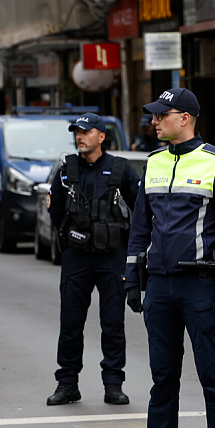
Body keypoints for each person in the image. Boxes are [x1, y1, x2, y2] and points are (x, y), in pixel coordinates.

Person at [117, 88, 215, 428]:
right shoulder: (153, 163)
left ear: (185, 118)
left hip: (201, 287)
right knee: (163, 379)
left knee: (213, 377)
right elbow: (140, 227)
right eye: (153, 116)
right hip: (160, 287)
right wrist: (132, 279)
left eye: (161, 115)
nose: (154, 122)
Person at [45, 113, 139, 407]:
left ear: (101, 137)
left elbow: (139, 211)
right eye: (77, 132)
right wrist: (74, 235)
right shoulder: (67, 170)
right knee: (71, 322)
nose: (80, 136)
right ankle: (67, 383)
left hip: (112, 257)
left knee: (112, 323)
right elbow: (55, 210)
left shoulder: (121, 169)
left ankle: (113, 384)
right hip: (77, 257)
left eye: (86, 131)